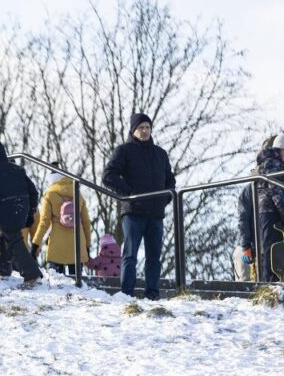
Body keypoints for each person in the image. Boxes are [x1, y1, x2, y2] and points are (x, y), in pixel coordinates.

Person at [102, 113, 176, 299]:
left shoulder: (160, 153)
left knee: (154, 258)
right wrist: (128, 193)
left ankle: (152, 293)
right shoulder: (124, 151)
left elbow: (170, 181)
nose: (144, 131)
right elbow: (108, 176)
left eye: (147, 127)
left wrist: (164, 199)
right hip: (133, 212)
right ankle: (126, 294)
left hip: (156, 214)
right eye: (141, 127)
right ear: (133, 130)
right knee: (130, 255)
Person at [0, 139, 43, 286]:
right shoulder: (17, 169)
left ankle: (32, 274)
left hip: (5, 210)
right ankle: (2, 269)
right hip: (21, 208)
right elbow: (33, 191)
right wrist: (30, 213)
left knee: (14, 239)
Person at [255, 135, 284, 282]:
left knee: (277, 245)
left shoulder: (276, 164)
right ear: (282, 149)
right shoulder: (271, 163)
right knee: (271, 246)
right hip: (270, 210)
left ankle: (273, 278)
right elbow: (276, 190)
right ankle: (268, 280)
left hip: (274, 209)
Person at [31, 170, 92, 275]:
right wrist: (87, 245)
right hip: (77, 245)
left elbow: (44, 223)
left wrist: (35, 244)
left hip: (57, 246)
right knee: (77, 283)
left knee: (57, 283)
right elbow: (86, 222)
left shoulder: (49, 194)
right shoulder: (78, 193)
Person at [233, 136, 276, 282]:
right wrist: (246, 246)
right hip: (249, 246)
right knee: (245, 285)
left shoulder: (276, 189)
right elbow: (243, 220)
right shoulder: (249, 190)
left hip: (265, 248)